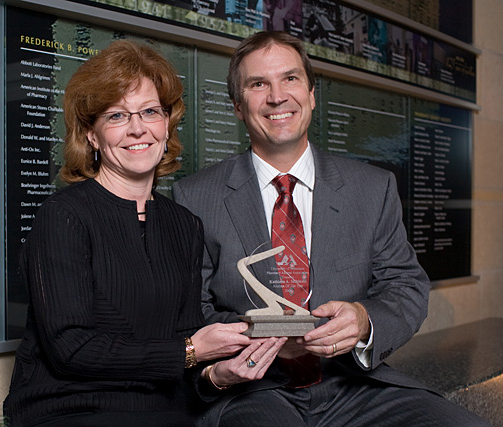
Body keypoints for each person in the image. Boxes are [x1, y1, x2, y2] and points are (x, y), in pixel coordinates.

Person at [172, 31, 488, 427]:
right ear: (238, 106)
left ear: (312, 94)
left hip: (353, 385)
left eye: (290, 78)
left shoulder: (372, 188)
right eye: (258, 84)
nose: (277, 96)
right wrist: (254, 336)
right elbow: (188, 308)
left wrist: (363, 319)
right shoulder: (195, 196)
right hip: (253, 390)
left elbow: (406, 286)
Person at [3, 40, 263, 427]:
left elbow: (186, 345)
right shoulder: (62, 217)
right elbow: (70, 349)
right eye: (117, 116)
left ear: (166, 124)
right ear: (91, 135)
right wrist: (190, 350)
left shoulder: (184, 225)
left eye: (149, 112)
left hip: (166, 411)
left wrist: (216, 375)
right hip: (71, 410)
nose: (138, 128)